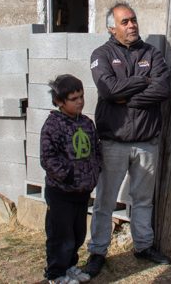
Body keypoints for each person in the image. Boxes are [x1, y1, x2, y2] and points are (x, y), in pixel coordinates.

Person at [84, 2, 171, 277]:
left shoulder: (152, 53)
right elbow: (108, 90)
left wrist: (127, 97)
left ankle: (143, 246)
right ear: (112, 27)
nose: (132, 25)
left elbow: (162, 89)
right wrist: (142, 82)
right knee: (105, 202)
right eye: (125, 21)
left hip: (147, 141)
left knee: (143, 199)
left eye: (133, 19)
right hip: (114, 143)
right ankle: (98, 251)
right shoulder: (102, 54)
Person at [40, 74, 103, 284]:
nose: (80, 102)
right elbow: (48, 158)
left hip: (82, 192)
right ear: (59, 101)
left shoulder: (86, 123)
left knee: (77, 233)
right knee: (61, 235)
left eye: (82, 96)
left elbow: (96, 149)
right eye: (74, 98)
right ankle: (56, 273)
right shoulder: (53, 125)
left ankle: (70, 266)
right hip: (61, 193)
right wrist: (68, 176)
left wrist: (95, 170)